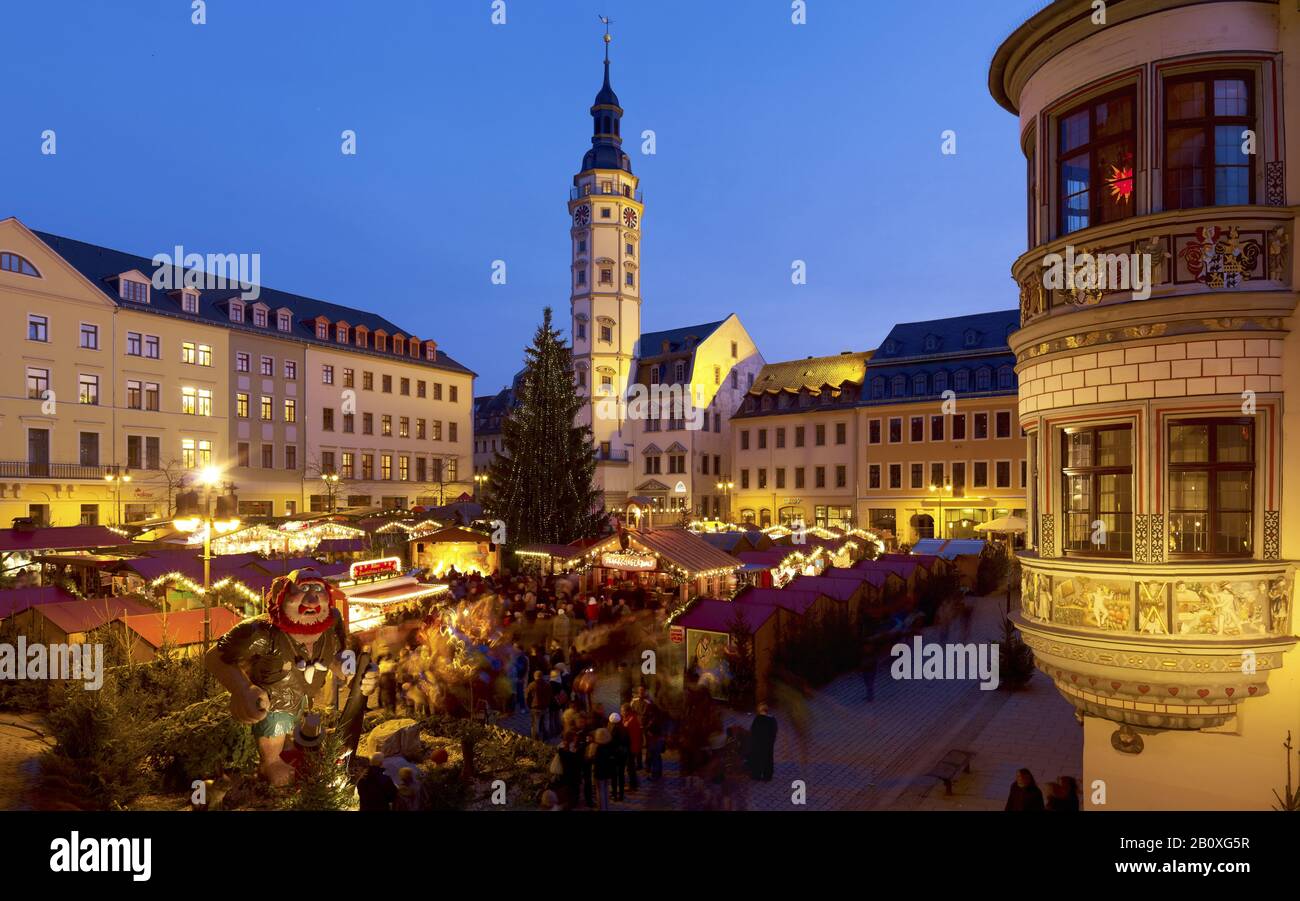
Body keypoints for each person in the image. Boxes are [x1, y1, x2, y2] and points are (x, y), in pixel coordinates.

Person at [205, 568, 376, 786]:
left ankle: (298, 752)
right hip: (275, 700)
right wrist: (242, 688)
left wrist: (357, 673)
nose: (312, 598)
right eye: (303, 589)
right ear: (283, 596)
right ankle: (271, 762)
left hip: (307, 700)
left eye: (318, 589)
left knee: (306, 730)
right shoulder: (261, 631)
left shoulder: (333, 622)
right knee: (276, 720)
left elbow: (338, 654)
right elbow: (215, 656)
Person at [749, 703, 777, 781]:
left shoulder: (758, 719)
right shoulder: (772, 720)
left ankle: (756, 775)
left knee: (757, 759)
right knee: (768, 759)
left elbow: (753, 731)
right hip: (768, 744)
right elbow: (774, 731)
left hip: (758, 744)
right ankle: (767, 776)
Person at [590, 727, 616, 810]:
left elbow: (592, 759)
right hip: (607, 770)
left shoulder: (596, 747)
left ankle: (602, 808)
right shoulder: (609, 746)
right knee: (606, 789)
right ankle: (606, 807)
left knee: (600, 790)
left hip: (599, 771)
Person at [608, 712, 629, 801]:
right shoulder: (624, 729)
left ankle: (614, 794)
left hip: (614, 757)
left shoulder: (610, 731)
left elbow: (610, 744)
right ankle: (621, 795)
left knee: (614, 776)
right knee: (621, 775)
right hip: (622, 755)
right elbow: (628, 742)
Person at [526, 670, 552, 741]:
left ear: (535, 677)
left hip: (535, 708)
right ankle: (546, 737)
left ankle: (536, 739)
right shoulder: (547, 684)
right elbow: (550, 696)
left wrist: (529, 706)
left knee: (535, 725)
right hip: (545, 707)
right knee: (546, 723)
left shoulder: (531, 685)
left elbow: (527, 697)